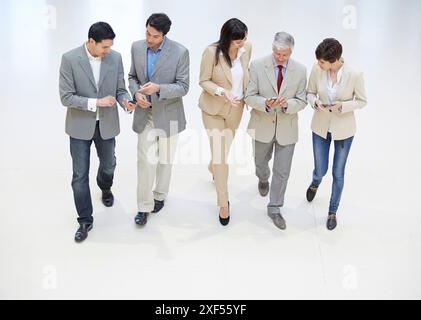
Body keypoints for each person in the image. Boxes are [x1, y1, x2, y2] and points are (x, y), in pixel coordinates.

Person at [59, 22, 135, 242]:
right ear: (91, 42)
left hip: (107, 124)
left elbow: (120, 88)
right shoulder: (70, 59)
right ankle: (85, 219)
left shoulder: (115, 57)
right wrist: (96, 102)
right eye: (104, 47)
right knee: (79, 175)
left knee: (109, 163)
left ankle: (105, 186)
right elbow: (66, 97)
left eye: (110, 47)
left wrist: (125, 101)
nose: (107, 51)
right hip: (79, 126)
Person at [128, 13, 190, 226]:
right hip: (145, 114)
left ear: (164, 35)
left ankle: (160, 195)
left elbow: (183, 86)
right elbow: (132, 77)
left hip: (169, 115)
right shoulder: (137, 47)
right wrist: (136, 94)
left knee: (165, 159)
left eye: (154, 36)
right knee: (145, 161)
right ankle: (144, 207)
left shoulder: (180, 52)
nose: (149, 38)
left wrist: (158, 89)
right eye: (147, 33)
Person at [245, 31, 307, 230]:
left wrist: (287, 104)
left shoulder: (300, 70)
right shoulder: (256, 66)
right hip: (262, 124)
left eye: (285, 54)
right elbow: (249, 96)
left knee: (282, 172)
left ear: (291, 52)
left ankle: (274, 208)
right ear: (272, 49)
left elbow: (302, 100)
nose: (280, 58)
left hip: (287, 128)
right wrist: (267, 103)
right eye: (277, 53)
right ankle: (263, 178)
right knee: (260, 162)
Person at [305, 38, 367, 230]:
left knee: (338, 173)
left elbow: (362, 101)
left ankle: (332, 211)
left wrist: (344, 106)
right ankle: (316, 181)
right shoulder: (317, 71)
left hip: (344, 131)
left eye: (322, 62)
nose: (318, 64)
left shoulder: (354, 74)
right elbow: (309, 92)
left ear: (333, 61)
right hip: (321, 127)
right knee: (321, 168)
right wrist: (316, 103)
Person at [199, 18, 252, 226]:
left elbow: (245, 75)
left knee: (222, 152)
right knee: (221, 157)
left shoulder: (247, 48)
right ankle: (223, 203)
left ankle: (213, 168)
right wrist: (222, 92)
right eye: (237, 41)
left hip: (236, 110)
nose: (241, 44)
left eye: (243, 39)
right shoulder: (211, 52)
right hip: (213, 110)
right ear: (227, 38)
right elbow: (203, 80)